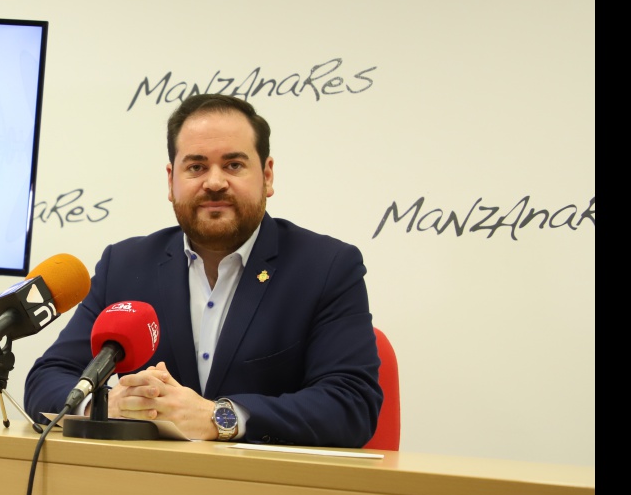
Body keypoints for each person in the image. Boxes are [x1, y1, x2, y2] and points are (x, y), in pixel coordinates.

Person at [23, 94, 382, 447]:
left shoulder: (326, 267)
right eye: (196, 167)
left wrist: (219, 417)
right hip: (143, 490)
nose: (214, 182)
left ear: (267, 176)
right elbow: (46, 380)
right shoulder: (126, 265)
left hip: (268, 494)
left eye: (233, 165)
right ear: (171, 180)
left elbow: (351, 404)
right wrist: (105, 405)